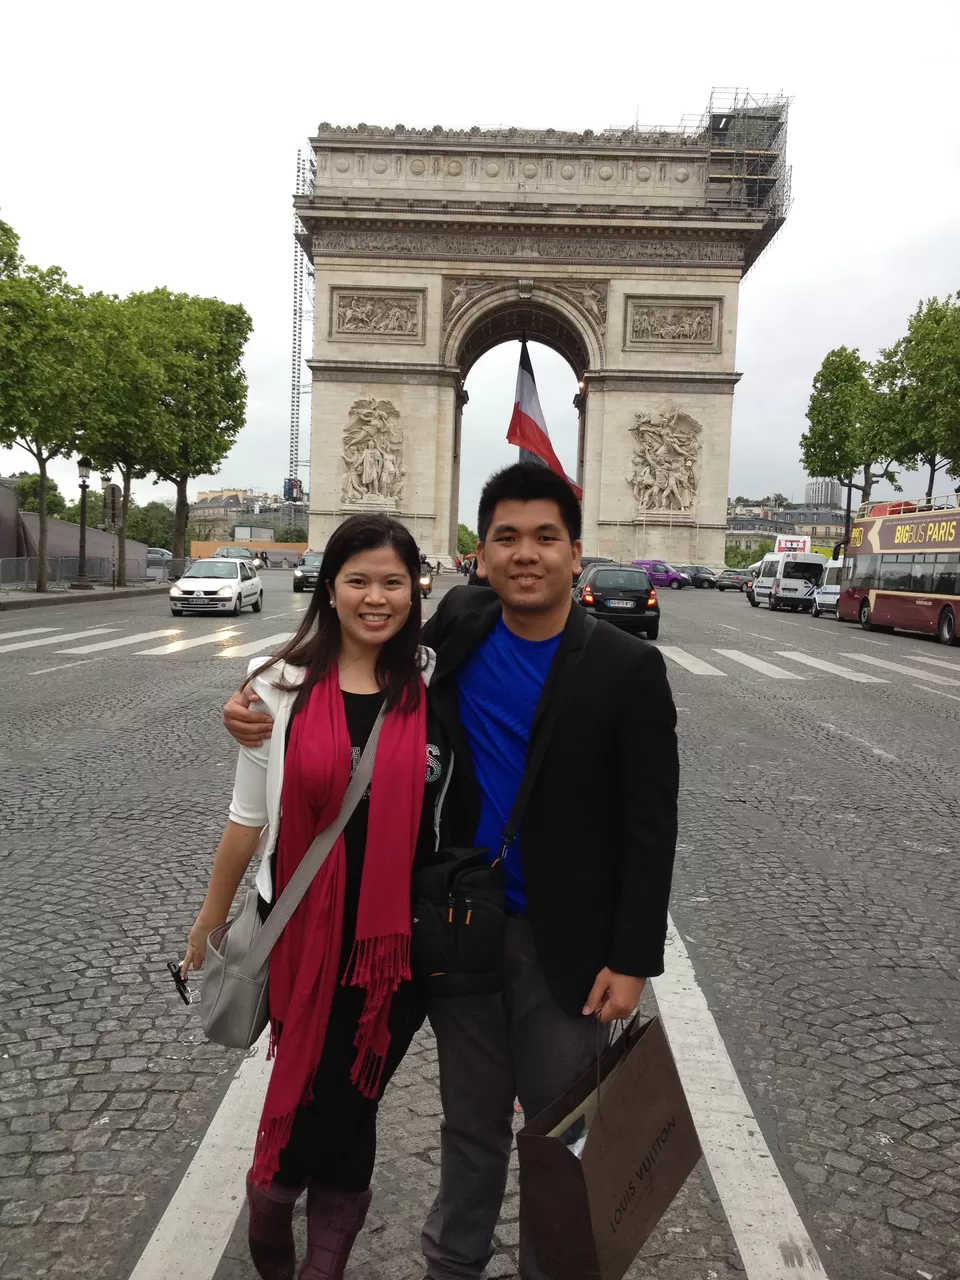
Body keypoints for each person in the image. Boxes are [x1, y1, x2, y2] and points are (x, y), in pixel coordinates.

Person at [223, 464, 679, 1280]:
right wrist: (257, 702)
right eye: (506, 537)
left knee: (558, 1135)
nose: (526, 554)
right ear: (481, 554)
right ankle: (451, 1268)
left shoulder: (626, 668)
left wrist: (633, 957)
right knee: (468, 1125)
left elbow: (652, 824)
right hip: (459, 932)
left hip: (566, 949)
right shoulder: (459, 628)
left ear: (577, 552)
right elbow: (357, 658)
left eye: (546, 537)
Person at [184, 513, 450, 1280]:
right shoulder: (276, 685)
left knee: (350, 1100)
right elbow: (246, 818)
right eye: (359, 580)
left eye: (394, 582)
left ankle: (320, 1265)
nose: (377, 597)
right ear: (328, 589)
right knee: (313, 1101)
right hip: (299, 934)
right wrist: (209, 919)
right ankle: (270, 1223)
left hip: (392, 949)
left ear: (416, 589)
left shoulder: (435, 679)